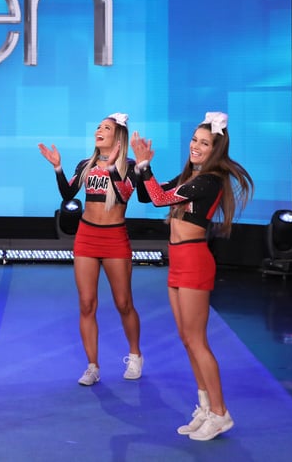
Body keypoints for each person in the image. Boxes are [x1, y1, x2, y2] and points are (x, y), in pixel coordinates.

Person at [131, 111, 254, 442]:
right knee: (187, 339)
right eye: (194, 140)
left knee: (198, 341)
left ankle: (220, 412)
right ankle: (204, 406)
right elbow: (146, 195)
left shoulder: (210, 180)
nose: (196, 147)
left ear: (216, 148)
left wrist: (144, 165)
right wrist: (136, 165)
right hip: (178, 262)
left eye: (205, 142)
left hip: (195, 262)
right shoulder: (190, 176)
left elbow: (158, 199)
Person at [37, 113, 144, 386]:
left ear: (117, 136)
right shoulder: (86, 164)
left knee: (123, 302)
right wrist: (58, 168)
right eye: (98, 127)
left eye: (105, 128)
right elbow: (68, 194)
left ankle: (135, 355)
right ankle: (92, 365)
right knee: (86, 303)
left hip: (114, 238)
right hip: (86, 237)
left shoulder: (129, 167)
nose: (99, 131)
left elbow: (124, 196)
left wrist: (112, 168)